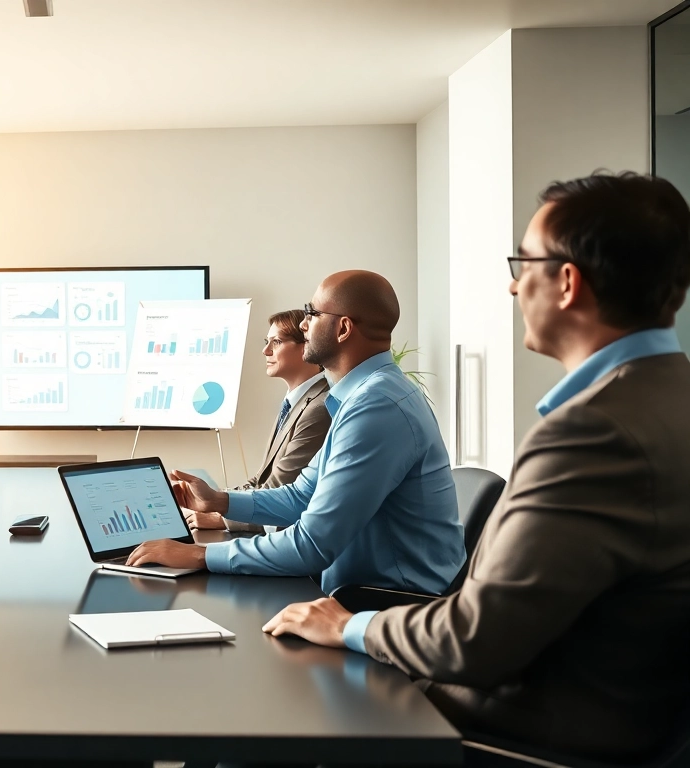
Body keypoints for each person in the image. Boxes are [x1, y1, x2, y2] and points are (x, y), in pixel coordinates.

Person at [261, 172, 690, 763]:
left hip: (514, 728)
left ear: (566, 282)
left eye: (522, 263)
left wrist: (349, 625)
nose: (513, 289)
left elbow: (476, 640)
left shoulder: (593, 434)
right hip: (607, 715)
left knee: (265, 714)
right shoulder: (668, 399)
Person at [127, 271, 463, 596]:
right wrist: (220, 501)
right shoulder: (365, 395)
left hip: (388, 602)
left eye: (311, 314)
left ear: (343, 328)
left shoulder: (377, 407)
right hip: (364, 591)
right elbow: (301, 496)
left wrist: (198, 556)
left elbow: (313, 545)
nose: (303, 324)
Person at [186, 309, 330, 535]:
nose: (266, 350)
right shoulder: (297, 401)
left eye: (277, 342)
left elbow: (282, 492)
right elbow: (261, 479)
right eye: (267, 341)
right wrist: (210, 501)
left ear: (306, 347)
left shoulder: (319, 408)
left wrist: (223, 518)